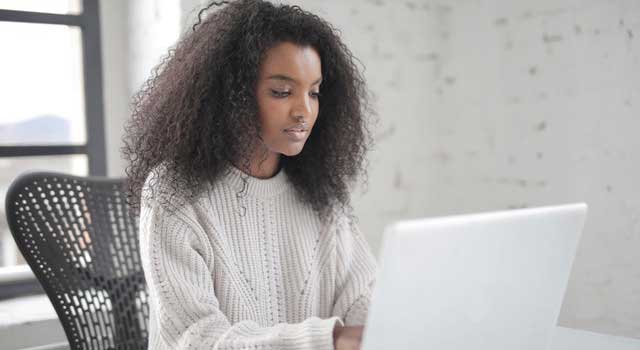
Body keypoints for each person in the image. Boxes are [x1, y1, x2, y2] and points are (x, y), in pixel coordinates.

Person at [123, 0, 377, 349]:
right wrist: (328, 340)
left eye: (314, 92)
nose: (304, 110)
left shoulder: (321, 195)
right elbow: (196, 338)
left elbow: (363, 297)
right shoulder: (174, 193)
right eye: (282, 92)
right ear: (232, 96)